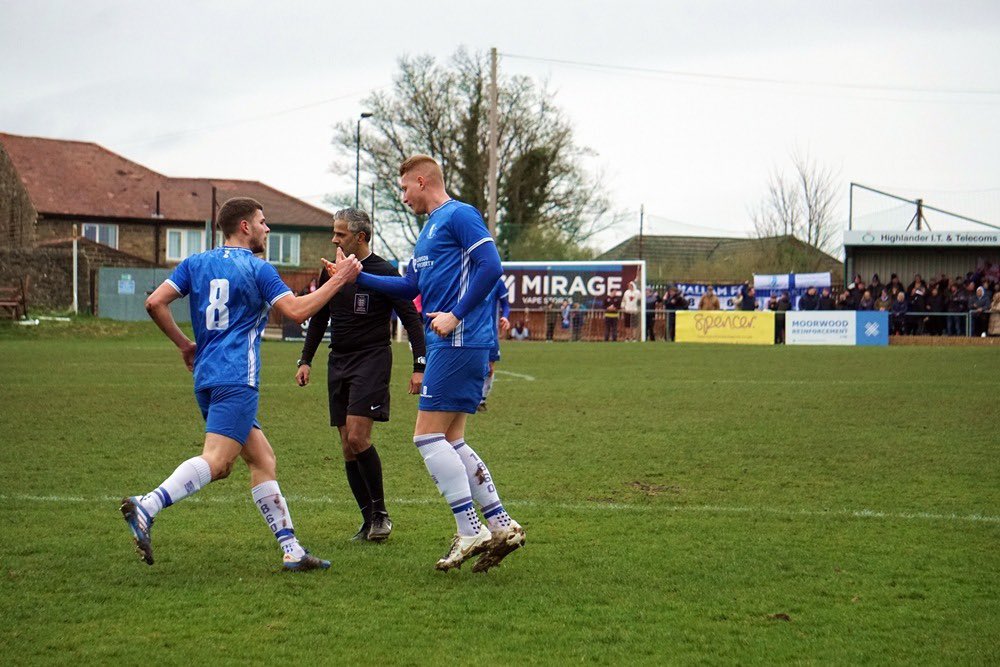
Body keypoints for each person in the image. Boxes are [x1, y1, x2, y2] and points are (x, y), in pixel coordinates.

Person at [121, 196, 361, 570]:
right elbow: (297, 311)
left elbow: (154, 303)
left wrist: (185, 344)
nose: (268, 228)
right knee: (217, 462)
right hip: (237, 377)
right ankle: (147, 505)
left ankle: (292, 550)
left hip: (207, 377)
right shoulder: (257, 269)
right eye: (263, 222)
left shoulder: (195, 263)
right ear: (246, 226)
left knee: (262, 459)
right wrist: (341, 279)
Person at [343, 155, 524, 573]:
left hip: (458, 339)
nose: (402, 197)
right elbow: (410, 286)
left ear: (422, 181)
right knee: (452, 440)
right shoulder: (427, 233)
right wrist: (358, 277)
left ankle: (470, 527)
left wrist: (456, 314)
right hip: (453, 341)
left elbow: (491, 267)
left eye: (405, 188)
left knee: (426, 438)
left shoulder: (459, 215)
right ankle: (500, 524)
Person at [295, 208, 427, 543]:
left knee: (357, 437)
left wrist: (419, 366)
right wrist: (305, 359)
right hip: (338, 361)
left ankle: (382, 514)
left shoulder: (383, 272)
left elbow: (411, 320)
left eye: (340, 234)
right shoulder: (332, 273)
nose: (334, 239)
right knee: (346, 446)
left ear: (361, 237)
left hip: (372, 360)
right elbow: (319, 317)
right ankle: (368, 521)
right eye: (334, 233)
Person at [479, 278, 511, 411]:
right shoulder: (469, 277)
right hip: (471, 330)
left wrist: (505, 316)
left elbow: (506, 305)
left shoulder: (497, 281)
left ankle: (481, 400)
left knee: (490, 368)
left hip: (490, 332)